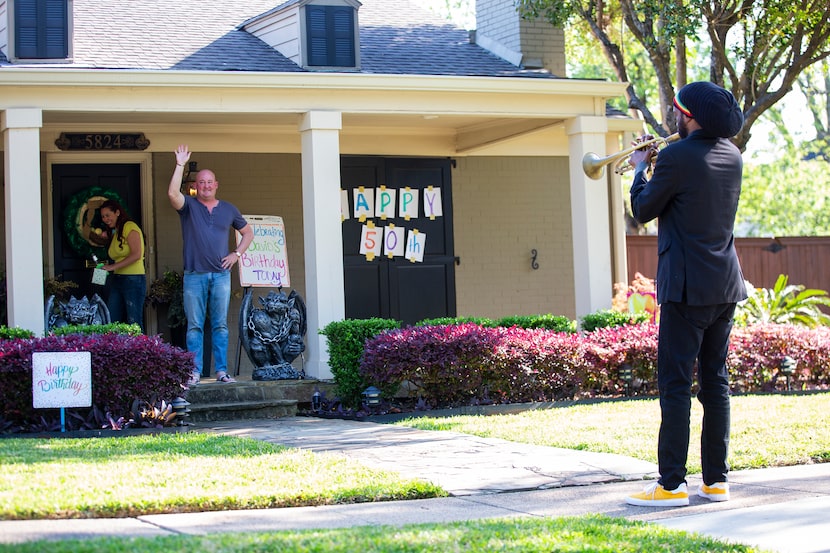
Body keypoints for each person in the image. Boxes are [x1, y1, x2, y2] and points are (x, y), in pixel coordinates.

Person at [624, 81, 747, 507]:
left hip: (685, 289)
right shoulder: (734, 156)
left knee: (675, 385)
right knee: (715, 383)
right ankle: (716, 482)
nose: (675, 117)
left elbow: (642, 210)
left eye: (678, 110)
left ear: (689, 117)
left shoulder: (673, 157)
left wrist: (641, 166)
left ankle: (671, 485)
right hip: (726, 286)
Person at [169, 145, 254, 385]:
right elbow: (173, 194)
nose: (206, 185)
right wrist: (179, 165)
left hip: (220, 276)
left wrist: (236, 254)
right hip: (194, 275)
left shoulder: (228, 209)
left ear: (216, 185)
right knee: (195, 326)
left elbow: (248, 233)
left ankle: (222, 372)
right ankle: (194, 372)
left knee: (220, 325)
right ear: (196, 186)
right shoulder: (188, 207)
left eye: (210, 182)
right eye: (201, 182)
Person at [99, 199, 146, 331]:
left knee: (134, 321)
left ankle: (141, 350)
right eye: (103, 216)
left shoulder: (129, 226)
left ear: (117, 212)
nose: (105, 219)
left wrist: (112, 267)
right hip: (118, 279)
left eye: (108, 215)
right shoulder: (115, 232)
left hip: (133, 279)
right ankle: (114, 350)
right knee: (111, 319)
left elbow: (137, 254)